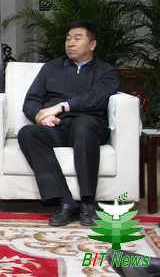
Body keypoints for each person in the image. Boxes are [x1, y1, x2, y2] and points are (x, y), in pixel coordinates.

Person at [17, 21, 119, 227]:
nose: (71, 43)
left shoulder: (106, 71)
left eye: (77, 38)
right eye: (68, 39)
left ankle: (88, 203)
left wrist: (59, 107)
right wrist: (41, 116)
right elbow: (32, 101)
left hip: (91, 127)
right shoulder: (51, 68)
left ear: (92, 44)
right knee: (28, 133)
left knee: (84, 124)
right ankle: (66, 202)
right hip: (58, 128)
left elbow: (95, 99)